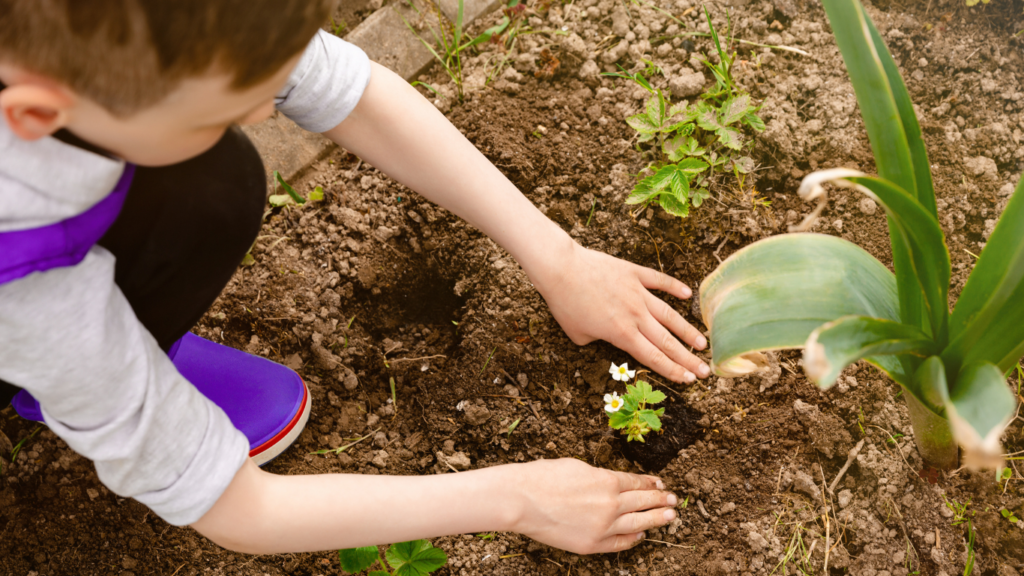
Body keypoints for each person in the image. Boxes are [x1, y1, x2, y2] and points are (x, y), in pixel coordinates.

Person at [0, 0, 711, 555]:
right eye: (224, 107)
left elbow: (346, 88)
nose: (269, 107)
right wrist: (515, 498)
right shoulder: (28, 285)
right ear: (38, 114)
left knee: (215, 179)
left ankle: (123, 361)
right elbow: (236, 510)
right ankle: (84, 381)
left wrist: (558, 259)